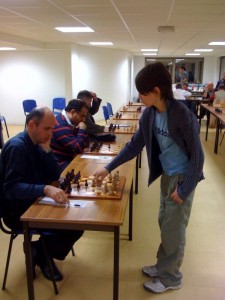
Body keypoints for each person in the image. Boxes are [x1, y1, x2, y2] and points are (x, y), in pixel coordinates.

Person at [94, 62, 204, 294]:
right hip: (167, 175)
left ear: (156, 91)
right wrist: (108, 168)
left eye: (142, 92)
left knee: (174, 229)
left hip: (183, 178)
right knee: (165, 223)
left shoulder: (182, 115)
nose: (139, 96)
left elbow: (198, 157)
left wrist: (184, 189)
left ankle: (171, 277)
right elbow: (135, 145)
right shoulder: (150, 115)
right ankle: (163, 266)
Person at [0, 107, 84, 282]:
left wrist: (47, 150)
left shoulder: (38, 143)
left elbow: (55, 175)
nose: (51, 134)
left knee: (78, 219)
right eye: (47, 129)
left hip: (34, 200)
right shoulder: (17, 147)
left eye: (52, 128)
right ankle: (42, 254)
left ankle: (38, 250)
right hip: (17, 210)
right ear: (32, 125)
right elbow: (11, 188)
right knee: (73, 225)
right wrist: (45, 189)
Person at [51, 99, 89, 172]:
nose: (84, 120)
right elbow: (78, 149)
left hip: (69, 157)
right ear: (73, 112)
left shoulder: (71, 122)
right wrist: (82, 129)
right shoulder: (61, 125)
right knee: (86, 172)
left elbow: (85, 144)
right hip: (60, 163)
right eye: (82, 116)